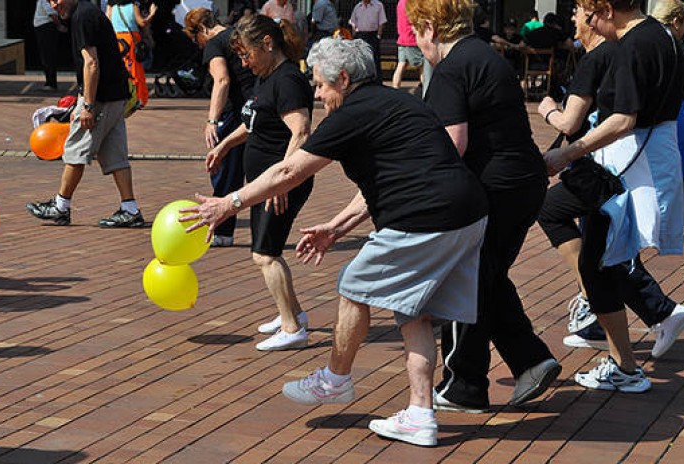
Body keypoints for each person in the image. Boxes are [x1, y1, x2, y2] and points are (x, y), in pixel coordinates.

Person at [182, 37, 489, 447]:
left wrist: (229, 203)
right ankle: (420, 414)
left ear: (343, 79)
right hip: (467, 215)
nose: (317, 93)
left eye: (321, 84)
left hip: (425, 217)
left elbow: (289, 172)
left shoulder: (352, 115)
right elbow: (390, 178)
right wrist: (338, 227)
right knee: (415, 314)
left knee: (352, 285)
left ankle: (335, 379)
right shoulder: (400, 103)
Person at [407, 0, 561, 412]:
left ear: (430, 29)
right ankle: (513, 366)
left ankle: (468, 382)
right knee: (485, 278)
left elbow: (451, 143)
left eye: (416, 33)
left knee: (466, 277)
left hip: (494, 187)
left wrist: (418, 192)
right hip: (523, 182)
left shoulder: (452, 68)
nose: (418, 44)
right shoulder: (486, 57)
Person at [543, 0, 684, 392]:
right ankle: (627, 358)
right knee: (601, 260)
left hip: (626, 165)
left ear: (607, 10)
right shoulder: (663, 36)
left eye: (590, 15)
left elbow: (623, 120)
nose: (589, 24)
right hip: (645, 160)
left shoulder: (633, 45)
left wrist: (567, 153)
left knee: (600, 262)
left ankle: (627, 362)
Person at [201, 15, 313, 351]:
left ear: (267, 44)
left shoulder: (288, 80)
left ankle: (293, 329)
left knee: (264, 255)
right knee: (268, 251)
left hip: (279, 184)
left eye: (247, 54)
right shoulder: (265, 78)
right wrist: (224, 145)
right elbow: (252, 123)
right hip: (267, 182)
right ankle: (292, 314)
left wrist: (282, 181)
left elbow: (302, 131)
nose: (244, 62)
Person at [26, 0, 146, 229]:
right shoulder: (87, 13)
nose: (54, 5)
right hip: (115, 94)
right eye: (50, 1)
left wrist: (87, 105)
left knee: (75, 151)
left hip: (101, 98)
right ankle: (130, 209)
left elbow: (91, 63)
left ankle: (60, 207)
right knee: (114, 155)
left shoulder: (82, 16)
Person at [184, 8, 255, 247]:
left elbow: (222, 80)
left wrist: (212, 120)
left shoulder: (215, 43)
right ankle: (265, 230)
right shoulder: (238, 34)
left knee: (225, 169)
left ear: (202, 29)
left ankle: (223, 232)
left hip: (236, 113)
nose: (199, 45)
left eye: (196, 39)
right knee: (258, 170)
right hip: (258, 107)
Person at [651, 0, 684, 242]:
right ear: (676, 21)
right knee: (680, 171)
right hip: (672, 116)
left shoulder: (639, 42)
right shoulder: (680, 49)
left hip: (641, 116)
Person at [107, 0, 150, 106]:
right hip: (131, 40)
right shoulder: (133, 6)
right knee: (135, 70)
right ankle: (138, 98)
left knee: (122, 69)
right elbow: (142, 22)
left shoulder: (113, 8)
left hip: (118, 40)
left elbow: (107, 22)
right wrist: (152, 13)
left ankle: (124, 96)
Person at [391, 0, 428, 90]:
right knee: (423, 66)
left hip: (402, 38)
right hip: (412, 39)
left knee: (401, 65)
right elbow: (415, 20)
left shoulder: (400, 2)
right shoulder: (412, 3)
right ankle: (425, 89)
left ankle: (395, 88)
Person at [348, 0, 386, 84]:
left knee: (374, 59)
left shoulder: (378, 5)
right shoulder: (357, 7)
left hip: (372, 35)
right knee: (361, 59)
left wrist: (378, 36)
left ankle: (377, 82)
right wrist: (354, 34)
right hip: (360, 35)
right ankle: (362, 81)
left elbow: (381, 22)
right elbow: (353, 21)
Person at [33, 0, 64, 91]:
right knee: (46, 56)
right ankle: (49, 82)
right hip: (43, 27)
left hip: (46, 27)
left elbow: (52, 13)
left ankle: (51, 83)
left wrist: (59, 25)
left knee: (48, 56)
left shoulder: (45, 0)